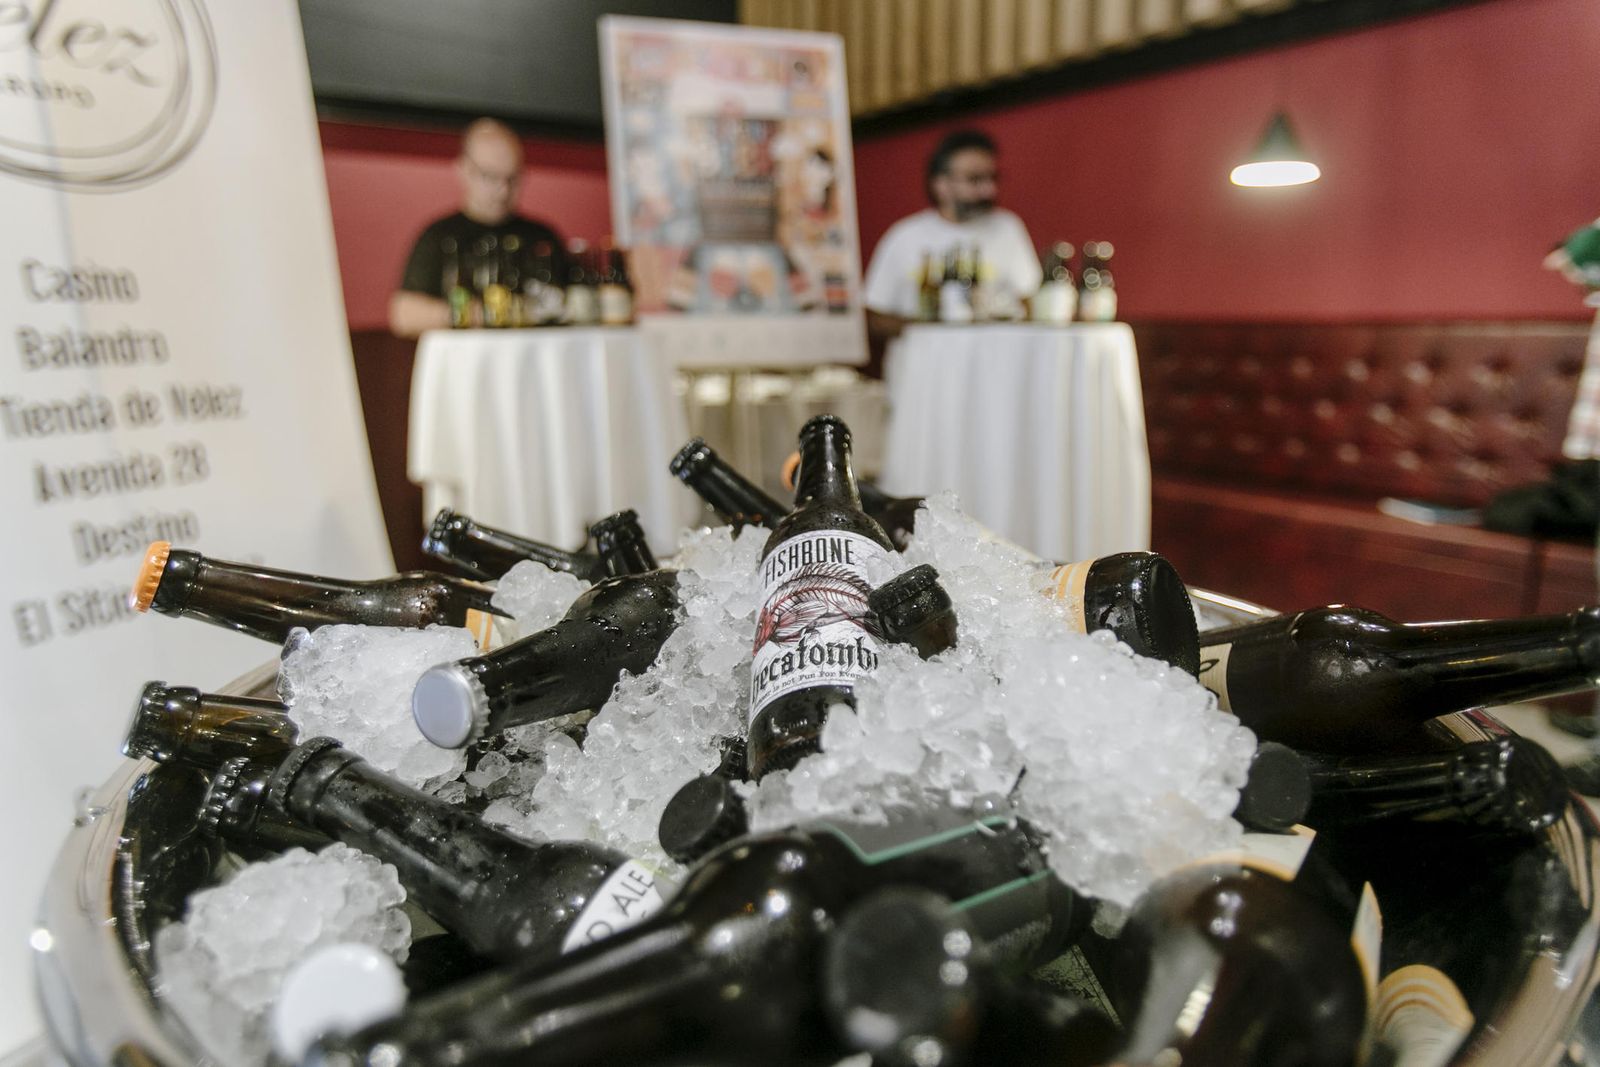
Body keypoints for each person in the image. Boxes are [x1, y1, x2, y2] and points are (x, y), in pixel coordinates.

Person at [388, 118, 568, 338]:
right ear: (463, 170)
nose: (502, 190)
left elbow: (572, 304)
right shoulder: (439, 236)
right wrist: (477, 314)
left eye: (512, 178)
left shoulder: (543, 238)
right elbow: (404, 315)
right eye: (490, 176)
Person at [862, 129, 1042, 343]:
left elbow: (1031, 301)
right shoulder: (904, 236)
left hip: (992, 359)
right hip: (923, 361)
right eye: (975, 179)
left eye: (993, 178)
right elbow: (873, 316)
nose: (989, 190)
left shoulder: (1007, 228)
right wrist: (933, 330)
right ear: (941, 184)